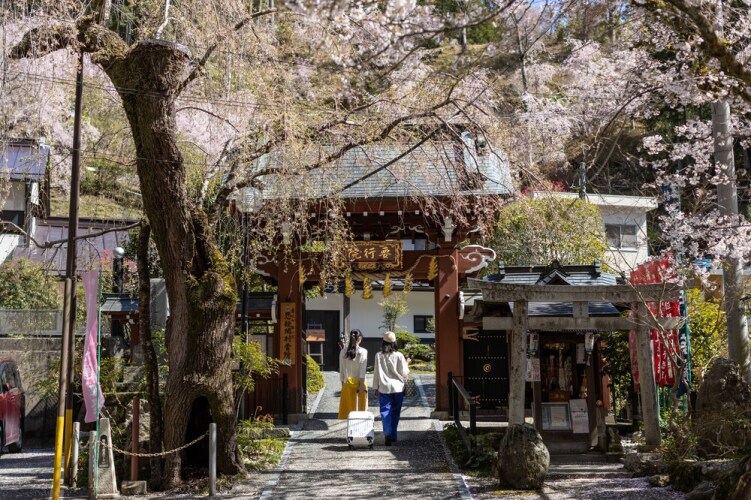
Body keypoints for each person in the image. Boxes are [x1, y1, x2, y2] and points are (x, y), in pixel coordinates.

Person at [372, 331, 411, 446]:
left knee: (385, 411)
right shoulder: (399, 355)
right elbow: (405, 373)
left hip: (384, 387)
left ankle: (387, 433)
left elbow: (376, 372)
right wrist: (407, 363)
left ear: (383, 342)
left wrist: (375, 387)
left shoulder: (378, 355)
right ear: (395, 342)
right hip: (398, 388)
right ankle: (393, 436)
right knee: (396, 412)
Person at [338, 329, 368, 419]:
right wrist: (362, 384)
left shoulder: (343, 352)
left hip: (347, 383)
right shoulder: (363, 351)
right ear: (360, 338)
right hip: (360, 383)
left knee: (349, 411)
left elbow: (342, 370)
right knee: (361, 411)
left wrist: (342, 383)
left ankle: (349, 427)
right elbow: (362, 369)